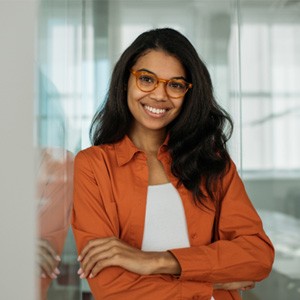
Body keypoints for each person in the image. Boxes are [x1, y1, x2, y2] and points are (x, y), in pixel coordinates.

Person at [72, 28, 274, 300]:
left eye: (176, 84)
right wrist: (211, 284)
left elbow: (257, 255)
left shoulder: (212, 162)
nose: (160, 95)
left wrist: (156, 261)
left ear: (188, 93)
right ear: (124, 83)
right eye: (146, 79)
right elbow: (110, 287)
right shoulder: (93, 166)